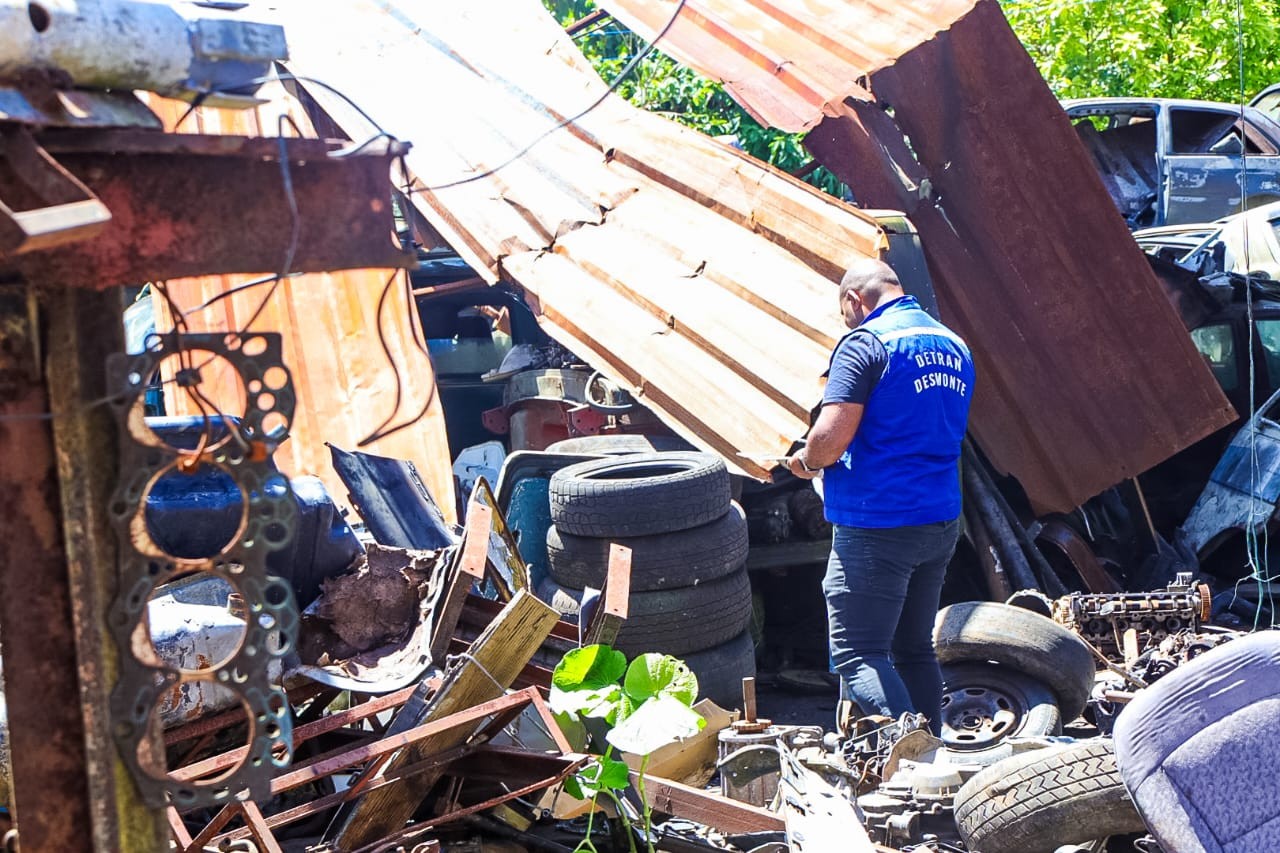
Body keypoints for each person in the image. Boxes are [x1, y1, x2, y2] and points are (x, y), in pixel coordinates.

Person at [787, 258, 974, 735]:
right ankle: (933, 759)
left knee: (859, 653)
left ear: (854, 300)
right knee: (913, 649)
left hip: (880, 524)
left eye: (844, 312)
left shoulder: (866, 344)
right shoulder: (953, 344)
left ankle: (912, 756)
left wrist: (806, 462)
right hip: (939, 520)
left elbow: (830, 439)